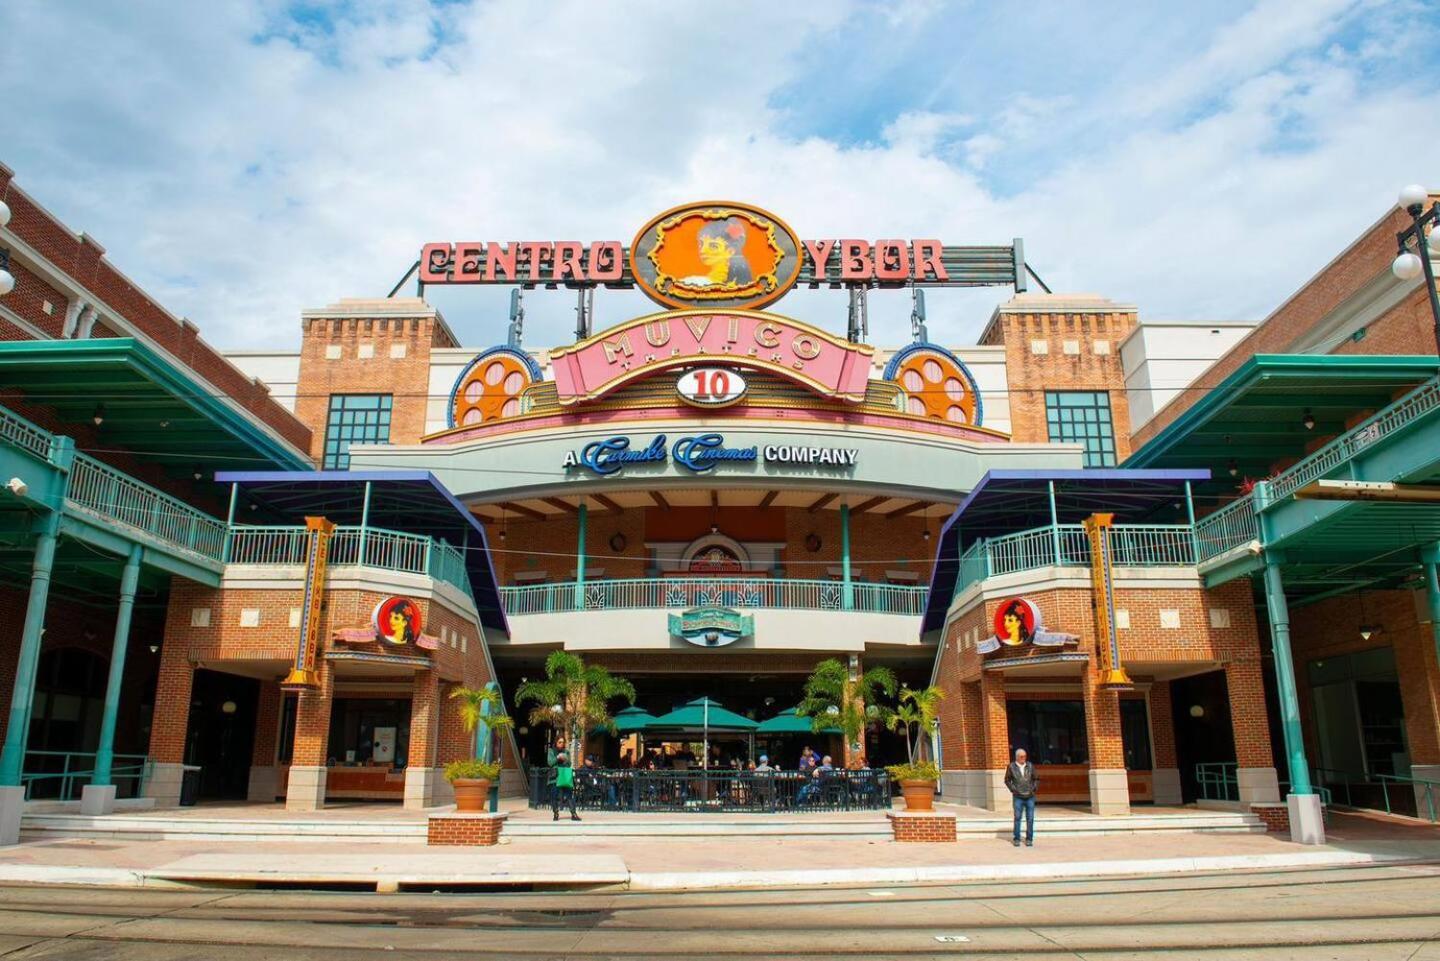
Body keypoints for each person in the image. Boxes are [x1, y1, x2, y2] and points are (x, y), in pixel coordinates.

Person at [680, 216, 754, 288]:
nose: (702, 250)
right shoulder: (692, 282)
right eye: (701, 244)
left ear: (730, 251)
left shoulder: (695, 284)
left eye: (713, 246)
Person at [1004, 747, 1038, 847]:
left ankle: (1029, 839)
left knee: (1030, 818)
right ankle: (1017, 838)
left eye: (1025, 756)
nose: (1024, 758)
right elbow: (1007, 780)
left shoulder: (1030, 766)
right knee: (1018, 817)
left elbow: (1036, 779)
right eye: (1022, 757)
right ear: (1017, 757)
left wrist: (1033, 788)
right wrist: (1013, 789)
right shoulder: (1011, 767)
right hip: (1018, 796)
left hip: (1030, 796)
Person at [551, 748, 579, 821]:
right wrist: (557, 758)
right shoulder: (552, 751)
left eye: (563, 742)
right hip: (555, 776)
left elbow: (569, 764)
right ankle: (556, 813)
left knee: (569, 795)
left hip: (565, 774)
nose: (561, 744)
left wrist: (565, 759)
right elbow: (550, 763)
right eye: (559, 742)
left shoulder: (566, 751)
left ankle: (573, 814)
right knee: (554, 795)